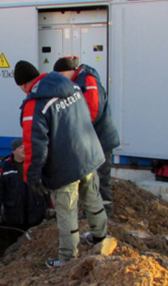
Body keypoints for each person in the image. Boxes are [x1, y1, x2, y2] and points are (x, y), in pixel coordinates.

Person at [13, 60, 108, 268]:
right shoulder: (71, 86)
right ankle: (101, 238)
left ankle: (67, 259)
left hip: (64, 166)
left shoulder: (34, 104)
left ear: (22, 85)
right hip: (88, 155)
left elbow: (34, 144)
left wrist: (33, 174)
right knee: (93, 198)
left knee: (66, 211)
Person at [53, 56, 120, 216]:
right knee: (91, 176)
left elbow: (92, 110)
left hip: (99, 138)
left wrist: (75, 130)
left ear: (70, 71)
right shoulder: (79, 80)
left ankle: (104, 212)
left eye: (62, 75)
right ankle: (94, 211)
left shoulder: (87, 80)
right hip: (93, 138)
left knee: (100, 176)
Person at [0, 138, 56, 235]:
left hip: (35, 215)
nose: (24, 149)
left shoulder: (36, 165)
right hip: (14, 217)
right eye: (21, 147)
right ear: (14, 151)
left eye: (26, 147)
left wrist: (50, 207)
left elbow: (46, 187)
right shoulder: (4, 167)